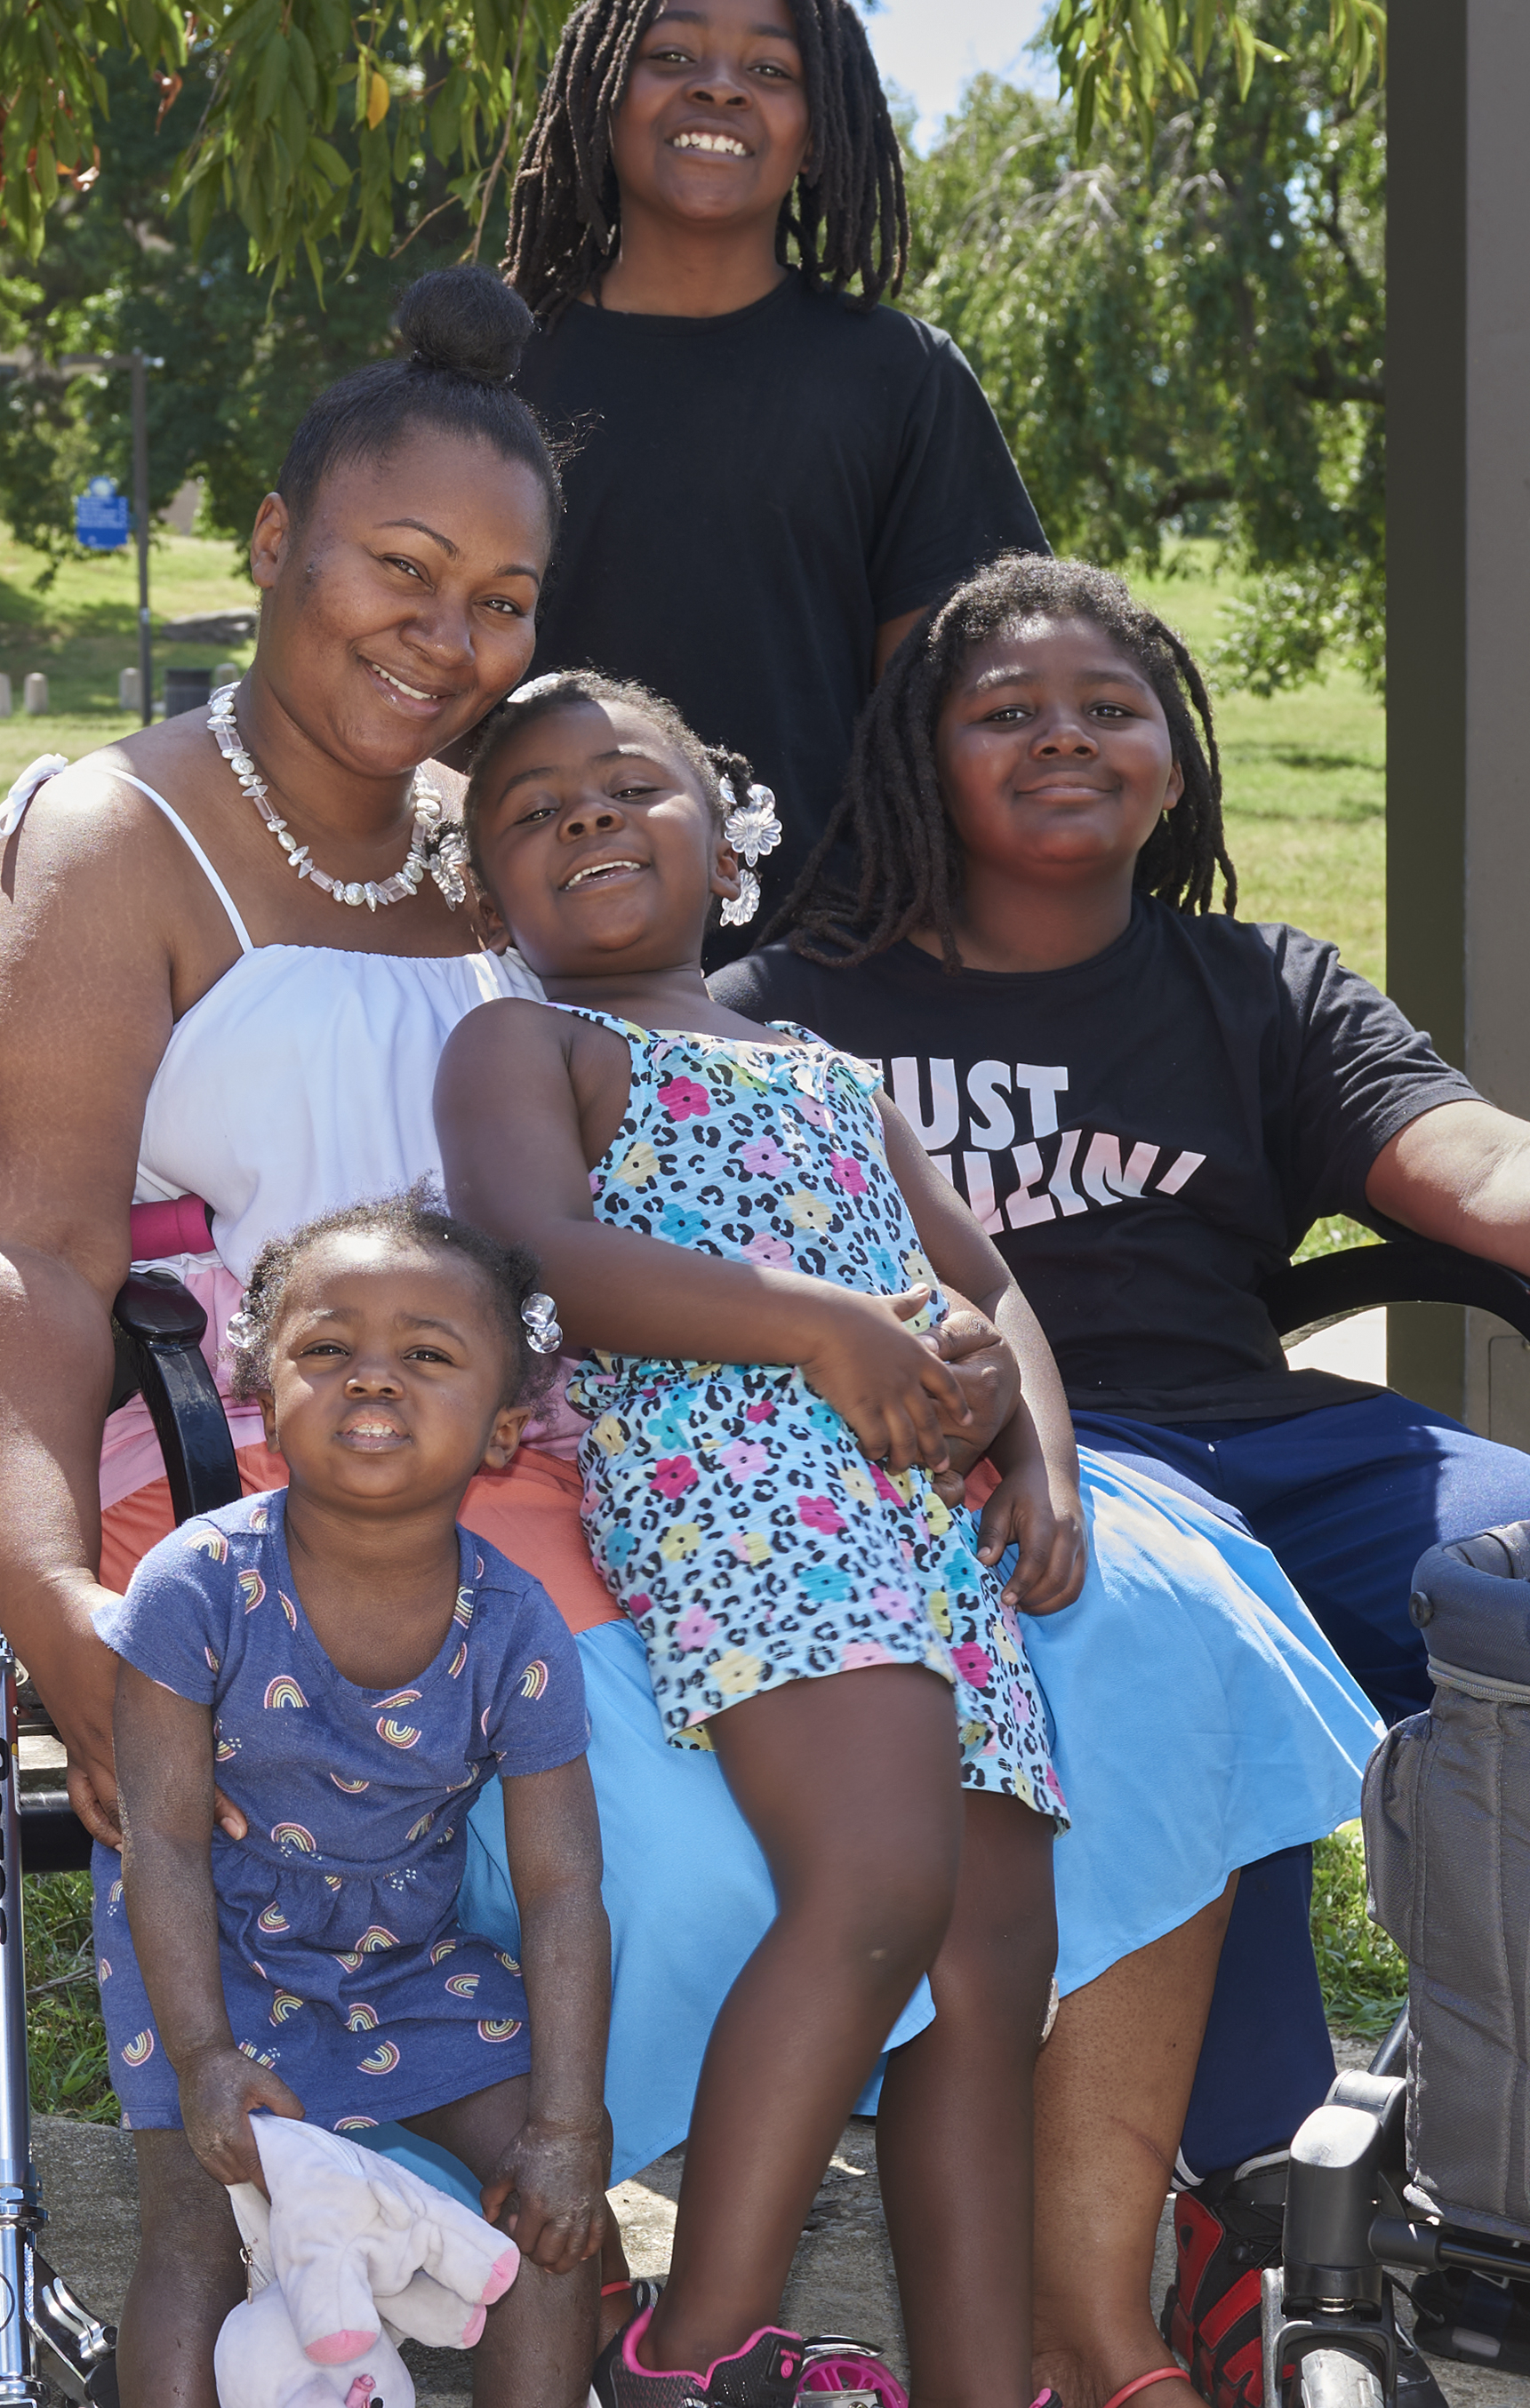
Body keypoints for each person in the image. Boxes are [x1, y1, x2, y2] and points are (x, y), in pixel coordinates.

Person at [0, 272, 1368, 2408]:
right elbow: (0, 1244)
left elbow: (720, 1141)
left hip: (630, 1420)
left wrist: (987, 1411)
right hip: (308, 1450)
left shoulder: (492, 843)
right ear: (272, 544)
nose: (448, 633)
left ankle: (1083, 2309)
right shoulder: (121, 833)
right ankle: (528, 2291)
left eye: (499, 595)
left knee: (1138, 1611)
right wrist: (44, 1585)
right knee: (712, 1812)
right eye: (399, 570)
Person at [720, 556, 1530, 2408]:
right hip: (1025, 1475)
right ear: (917, 761)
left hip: (1273, 1435)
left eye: (1110, 707)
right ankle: (1251, 2193)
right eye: (1005, 709)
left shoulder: (1251, 987)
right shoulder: (786, 1005)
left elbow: (1486, 1170)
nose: (1066, 735)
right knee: (1187, 1666)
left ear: (1176, 761)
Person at [439, 672, 1080, 2408]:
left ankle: (977, 2377)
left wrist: (1037, 1443)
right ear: (488, 891)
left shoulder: (828, 1068)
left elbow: (983, 1285)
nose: (578, 816)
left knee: (984, 1964)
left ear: (727, 846)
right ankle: (693, 2344)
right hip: (745, 1505)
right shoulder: (534, 1045)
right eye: (529, 809)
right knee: (874, 1884)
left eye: (624, 784)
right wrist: (819, 1327)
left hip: (931, 1541)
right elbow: (550, 1249)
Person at [108, 1196, 612, 2408]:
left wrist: (566, 2126)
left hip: (405, 1960)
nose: (372, 1379)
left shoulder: (516, 1622)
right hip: (207, 1961)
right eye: (327, 1350)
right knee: (196, 2234)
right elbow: (162, 1847)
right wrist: (206, 2058)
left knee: (554, 2222)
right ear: (264, 1393)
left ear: (501, 1428)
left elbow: (560, 1890)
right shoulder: (194, 1587)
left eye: (427, 1354)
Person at [502, 0, 1046, 932]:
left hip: (821, 970)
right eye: (670, 55)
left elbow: (958, 713)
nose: (718, 86)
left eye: (771, 68)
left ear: (818, 132)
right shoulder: (496, 376)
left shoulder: (900, 378)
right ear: (599, 98)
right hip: (518, 959)